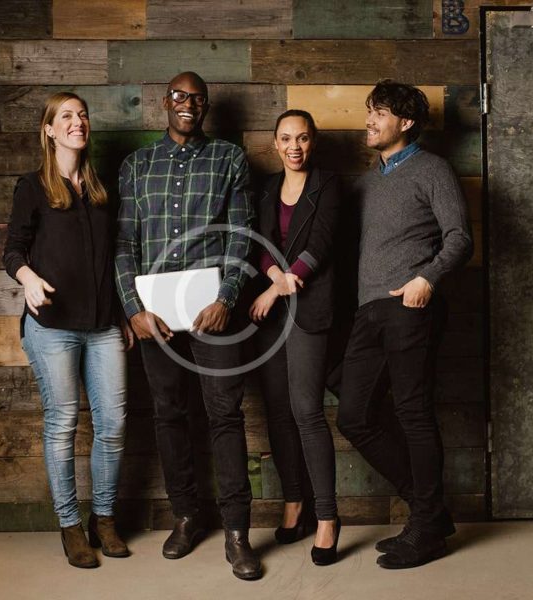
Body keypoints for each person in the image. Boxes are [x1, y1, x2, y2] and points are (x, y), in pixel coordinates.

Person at [115, 71, 262, 581]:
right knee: (169, 414)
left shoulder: (229, 159)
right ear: (165, 102)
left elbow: (241, 237)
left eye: (197, 99)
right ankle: (186, 516)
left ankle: (238, 532)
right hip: (157, 318)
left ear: (205, 107)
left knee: (225, 416)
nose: (188, 105)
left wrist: (227, 299)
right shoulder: (136, 166)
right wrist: (134, 308)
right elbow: (123, 245)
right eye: (180, 97)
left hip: (212, 315)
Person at [336, 80, 473, 569]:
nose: (368, 120)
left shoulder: (432, 169)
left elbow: (459, 238)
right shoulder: (369, 180)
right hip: (368, 311)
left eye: (378, 113)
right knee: (354, 416)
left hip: (411, 305)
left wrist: (427, 279)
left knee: (413, 413)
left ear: (406, 122)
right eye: (369, 111)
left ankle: (426, 527)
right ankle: (430, 512)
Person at [3, 92, 134, 569]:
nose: (77, 122)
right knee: (62, 426)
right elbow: (12, 250)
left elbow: (115, 261)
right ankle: (70, 525)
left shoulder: (101, 191)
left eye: (82, 115)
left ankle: (104, 518)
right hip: (52, 328)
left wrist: (122, 315)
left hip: (102, 328)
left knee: (114, 426)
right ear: (50, 131)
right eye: (66, 117)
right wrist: (29, 278)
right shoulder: (32, 187)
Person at [249, 109, 341, 565]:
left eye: (302, 138)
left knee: (307, 411)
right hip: (270, 316)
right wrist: (273, 282)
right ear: (274, 143)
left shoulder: (329, 185)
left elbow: (319, 245)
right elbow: (257, 242)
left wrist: (281, 284)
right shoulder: (266, 188)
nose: (294, 147)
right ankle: (294, 504)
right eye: (286, 138)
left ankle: (327, 517)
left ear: (314, 142)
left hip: (310, 312)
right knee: (279, 413)